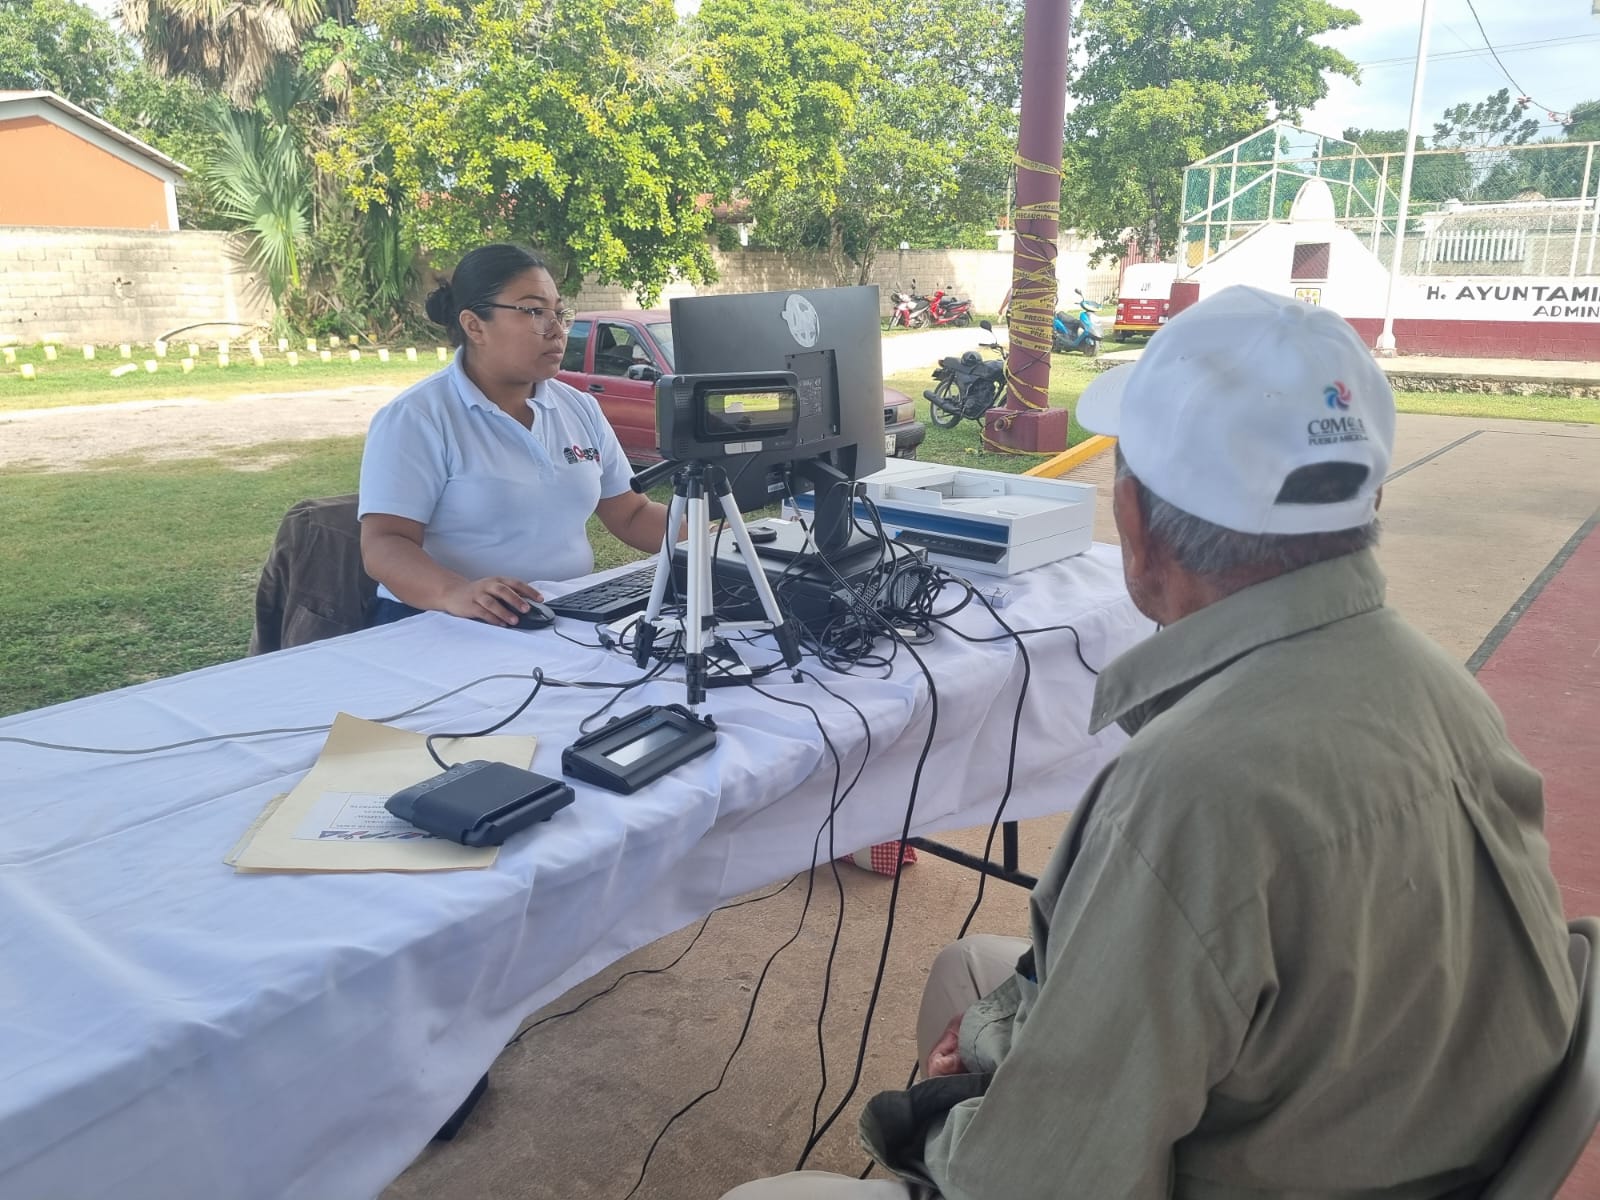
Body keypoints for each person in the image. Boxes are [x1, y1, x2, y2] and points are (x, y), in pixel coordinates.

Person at [722, 286, 1579, 1200]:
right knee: (968, 974)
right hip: (1404, 1131)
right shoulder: (1438, 680)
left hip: (1271, 1162)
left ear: (1132, 524)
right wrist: (997, 1048)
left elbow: (1036, 1179)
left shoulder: (1192, 789)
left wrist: (948, 1117)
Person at [358, 243, 673, 627]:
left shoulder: (579, 408)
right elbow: (385, 542)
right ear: (475, 325)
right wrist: (455, 592)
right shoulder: (416, 417)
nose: (556, 330)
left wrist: (722, 540)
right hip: (438, 622)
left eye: (559, 313)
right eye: (534, 312)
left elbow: (632, 513)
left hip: (561, 615)